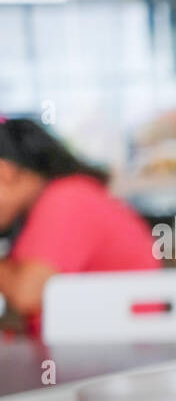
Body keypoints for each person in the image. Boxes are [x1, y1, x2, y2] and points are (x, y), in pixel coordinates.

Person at [0, 118, 158, 338]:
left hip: (118, 353)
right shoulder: (54, 201)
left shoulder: (66, 198)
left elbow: (28, 295)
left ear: (5, 172)